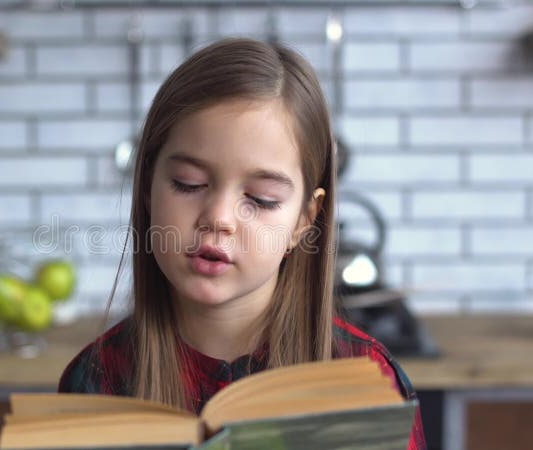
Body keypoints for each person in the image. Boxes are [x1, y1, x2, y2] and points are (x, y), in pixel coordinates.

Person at [57, 37, 426, 450]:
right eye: (188, 184)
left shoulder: (365, 382)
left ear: (305, 219)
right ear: (147, 188)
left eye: (261, 199)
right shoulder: (97, 378)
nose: (218, 218)